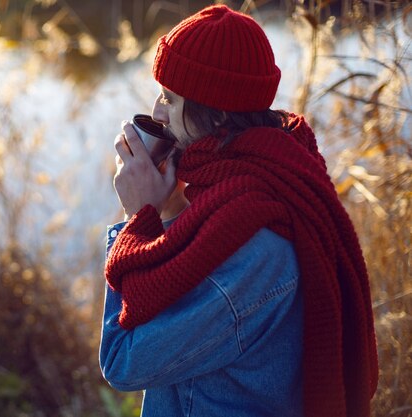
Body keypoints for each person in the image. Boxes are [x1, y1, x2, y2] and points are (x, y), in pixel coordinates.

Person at [99, 5, 378, 417]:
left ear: (220, 113)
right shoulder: (265, 180)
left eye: (170, 99)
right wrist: (170, 212)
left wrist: (135, 221)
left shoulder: (243, 244)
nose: (157, 113)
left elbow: (123, 361)